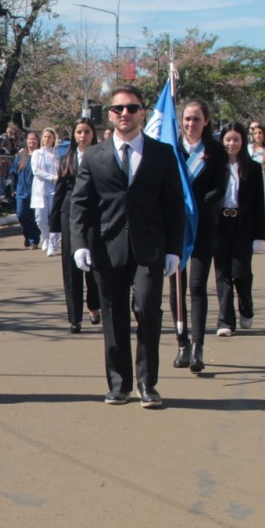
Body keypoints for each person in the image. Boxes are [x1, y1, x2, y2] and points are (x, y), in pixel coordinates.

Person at [69, 86, 186, 408]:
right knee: (113, 315)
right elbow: (80, 204)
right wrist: (80, 244)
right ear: (109, 114)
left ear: (142, 113)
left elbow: (174, 205)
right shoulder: (94, 155)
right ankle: (119, 384)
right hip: (108, 247)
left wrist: (174, 249)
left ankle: (147, 384)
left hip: (150, 246)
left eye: (132, 108)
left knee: (148, 310)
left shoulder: (162, 153)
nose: (125, 114)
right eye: (119, 109)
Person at [169, 100, 227, 374]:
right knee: (176, 286)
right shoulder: (171, 148)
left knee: (196, 286)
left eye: (196, 119)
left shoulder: (215, 151)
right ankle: (181, 343)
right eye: (187, 119)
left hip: (203, 225)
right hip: (175, 227)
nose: (191, 124)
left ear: (206, 122)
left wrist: (194, 206)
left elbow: (219, 190)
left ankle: (197, 347)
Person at [212, 123, 265, 336]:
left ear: (243, 141)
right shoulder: (215, 166)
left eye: (236, 139)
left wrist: (259, 236)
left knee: (241, 272)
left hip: (243, 226)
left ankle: (246, 308)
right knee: (222, 273)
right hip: (220, 225)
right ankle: (225, 320)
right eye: (228, 139)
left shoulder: (252, 168)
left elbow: (259, 204)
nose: (231, 144)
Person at [54, 119, 100, 333]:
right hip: (69, 214)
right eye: (79, 132)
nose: (83, 136)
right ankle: (75, 318)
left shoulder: (102, 156)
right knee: (71, 266)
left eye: (87, 132)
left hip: (95, 214)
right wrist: (54, 225)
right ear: (74, 135)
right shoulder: (66, 159)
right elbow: (60, 190)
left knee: (93, 264)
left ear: (93, 134)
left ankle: (94, 305)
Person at [31, 127, 62, 255]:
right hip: (40, 189)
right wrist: (52, 177)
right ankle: (45, 237)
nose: (47, 139)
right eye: (44, 137)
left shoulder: (57, 154)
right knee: (40, 218)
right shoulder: (37, 153)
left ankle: (52, 243)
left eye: (49, 137)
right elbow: (36, 171)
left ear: (54, 139)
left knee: (54, 217)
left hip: (54, 189)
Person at [12, 132, 41, 249]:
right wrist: (13, 189)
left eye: (34, 139)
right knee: (21, 215)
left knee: (35, 217)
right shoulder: (21, 156)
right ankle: (27, 235)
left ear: (38, 141)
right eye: (30, 139)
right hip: (22, 191)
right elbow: (13, 173)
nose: (32, 141)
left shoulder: (40, 155)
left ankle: (34, 240)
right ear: (26, 141)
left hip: (37, 191)